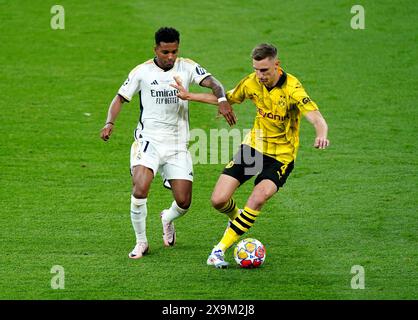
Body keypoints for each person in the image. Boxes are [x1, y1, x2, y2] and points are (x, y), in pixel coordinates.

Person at [171, 43, 330, 268]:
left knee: (257, 197)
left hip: (281, 157)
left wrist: (321, 134)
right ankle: (238, 220)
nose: (260, 75)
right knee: (218, 200)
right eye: (256, 69)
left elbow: (316, 117)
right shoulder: (251, 82)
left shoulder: (293, 89)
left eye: (264, 70)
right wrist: (189, 96)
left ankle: (219, 250)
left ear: (277, 65)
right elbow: (226, 99)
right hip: (253, 148)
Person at [100, 27, 236, 259]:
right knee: (140, 188)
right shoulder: (142, 72)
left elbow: (215, 83)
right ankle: (141, 242)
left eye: (174, 51)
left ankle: (167, 218)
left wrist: (222, 100)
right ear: (156, 49)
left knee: (184, 202)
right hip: (149, 141)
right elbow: (120, 98)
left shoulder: (187, 66)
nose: (170, 57)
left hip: (177, 145)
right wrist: (109, 123)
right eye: (165, 52)